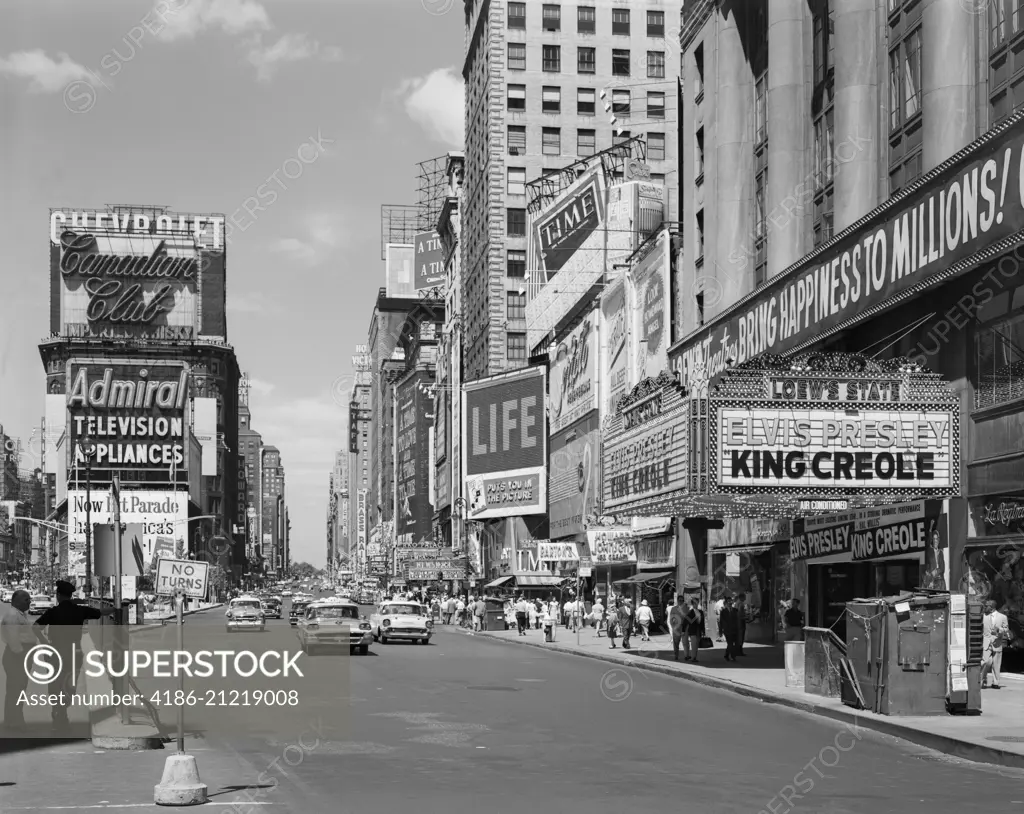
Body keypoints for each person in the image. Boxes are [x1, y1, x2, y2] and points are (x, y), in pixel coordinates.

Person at [35, 580, 115, 729]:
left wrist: (44, 643)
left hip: (55, 653)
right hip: (73, 653)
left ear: (58, 595)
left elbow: (35, 628)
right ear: (71, 596)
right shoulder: (79, 610)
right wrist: (117, 609)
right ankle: (62, 709)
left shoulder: (52, 612)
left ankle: (57, 711)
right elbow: (100, 612)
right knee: (69, 684)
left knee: (54, 683)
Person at [1, 590, 33, 730]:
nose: (29, 602)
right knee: (16, 691)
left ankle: (13, 721)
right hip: (17, 658)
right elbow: (14, 642)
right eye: (26, 599)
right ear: (16, 601)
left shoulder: (19, 614)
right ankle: (15, 723)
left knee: (17, 690)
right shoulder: (13, 616)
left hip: (19, 657)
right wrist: (22, 656)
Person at [981, 599, 1010, 690]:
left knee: (996, 664)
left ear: (992, 607)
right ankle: (983, 681)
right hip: (986, 643)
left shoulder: (1002, 617)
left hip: (997, 643)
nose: (985, 607)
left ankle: (996, 683)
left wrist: (999, 630)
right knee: (985, 662)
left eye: (987, 606)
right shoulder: (983, 616)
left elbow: (1006, 629)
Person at [720, 595, 740, 662]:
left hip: (734, 629)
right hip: (727, 630)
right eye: (728, 602)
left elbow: (737, 620)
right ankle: (733, 656)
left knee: (732, 644)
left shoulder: (735, 610)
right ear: (726, 603)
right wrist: (721, 631)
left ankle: (726, 655)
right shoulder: (723, 611)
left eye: (730, 601)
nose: (730, 603)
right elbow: (721, 621)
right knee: (730, 643)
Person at [683, 598, 703, 663]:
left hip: (698, 630)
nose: (696, 604)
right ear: (692, 604)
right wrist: (683, 631)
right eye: (694, 603)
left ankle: (695, 656)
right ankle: (693, 657)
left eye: (697, 602)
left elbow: (702, 622)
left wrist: (703, 630)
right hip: (692, 630)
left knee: (697, 644)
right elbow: (687, 621)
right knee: (694, 644)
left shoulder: (701, 611)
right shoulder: (690, 612)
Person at [669, 595, 686, 661]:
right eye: (680, 600)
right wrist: (673, 626)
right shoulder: (674, 608)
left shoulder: (686, 608)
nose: (681, 602)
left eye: (682, 600)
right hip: (676, 627)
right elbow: (671, 619)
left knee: (685, 643)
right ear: (677, 601)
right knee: (676, 642)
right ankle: (676, 655)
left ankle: (686, 655)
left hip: (684, 627)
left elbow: (687, 618)